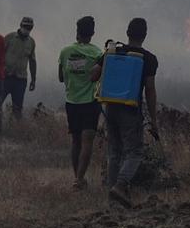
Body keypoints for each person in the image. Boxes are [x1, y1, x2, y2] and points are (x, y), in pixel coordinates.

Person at [91, 17, 159, 207]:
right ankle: (120, 186)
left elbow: (92, 76)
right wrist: (154, 119)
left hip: (110, 107)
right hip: (130, 109)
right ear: (144, 36)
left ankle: (111, 195)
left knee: (114, 152)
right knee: (135, 152)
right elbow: (150, 90)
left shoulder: (113, 52)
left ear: (127, 33)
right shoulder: (149, 58)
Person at [58, 15, 102, 190]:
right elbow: (98, 75)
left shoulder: (65, 51)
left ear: (77, 31)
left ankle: (77, 177)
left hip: (71, 101)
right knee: (87, 141)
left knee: (76, 141)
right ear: (92, 33)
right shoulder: (97, 53)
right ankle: (79, 179)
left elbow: (61, 77)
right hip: (90, 102)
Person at [0, 16, 37, 119]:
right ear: (20, 25)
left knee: (17, 108)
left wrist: (33, 80)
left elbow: (32, 61)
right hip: (5, 77)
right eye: (25, 26)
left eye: (30, 27)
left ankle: (15, 131)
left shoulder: (31, 42)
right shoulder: (10, 37)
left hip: (20, 80)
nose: (27, 29)